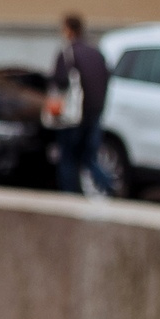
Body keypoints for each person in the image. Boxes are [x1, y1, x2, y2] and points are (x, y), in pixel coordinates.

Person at [49, 13, 110, 196]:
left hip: (73, 116)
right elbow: (106, 78)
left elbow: (59, 82)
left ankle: (70, 198)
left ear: (69, 29)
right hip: (95, 113)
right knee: (89, 158)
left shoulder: (68, 53)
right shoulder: (96, 52)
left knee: (67, 158)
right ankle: (109, 187)